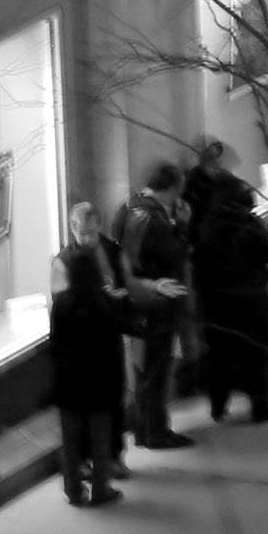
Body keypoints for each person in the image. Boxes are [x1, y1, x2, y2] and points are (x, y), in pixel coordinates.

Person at [111, 166, 193, 449]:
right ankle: (156, 431)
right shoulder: (153, 219)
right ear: (169, 188)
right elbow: (174, 254)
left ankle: (144, 429)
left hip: (137, 300)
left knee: (144, 368)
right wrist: (182, 225)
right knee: (157, 368)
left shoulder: (127, 208)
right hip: (157, 300)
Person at [188, 176, 268, 415]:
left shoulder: (206, 225)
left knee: (220, 353)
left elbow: (199, 262)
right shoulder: (249, 223)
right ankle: (260, 404)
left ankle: (218, 403)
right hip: (250, 296)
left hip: (216, 299)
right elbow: (267, 253)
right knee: (254, 352)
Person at [47, 248, 129, 507]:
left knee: (70, 442)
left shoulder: (61, 303)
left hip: (69, 382)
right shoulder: (103, 303)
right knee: (100, 438)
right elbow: (113, 344)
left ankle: (73, 490)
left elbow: (55, 343)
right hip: (100, 381)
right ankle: (101, 488)